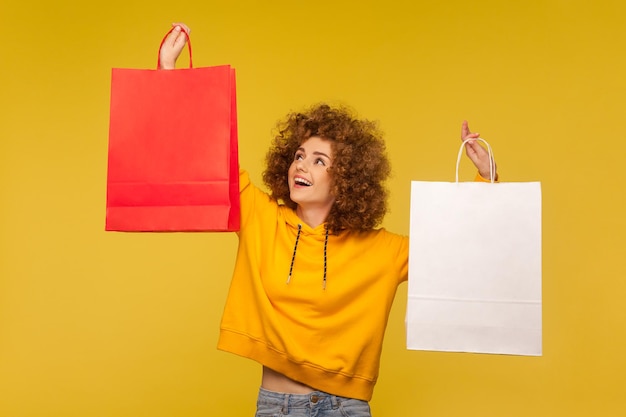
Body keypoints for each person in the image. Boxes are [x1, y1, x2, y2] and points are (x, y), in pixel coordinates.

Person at [159, 24, 498, 417]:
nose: (302, 166)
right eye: (300, 155)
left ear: (346, 180)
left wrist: (486, 179)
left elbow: (456, 250)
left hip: (346, 409)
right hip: (276, 407)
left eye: (320, 161)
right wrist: (170, 74)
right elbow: (208, 156)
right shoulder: (259, 215)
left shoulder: (382, 250)